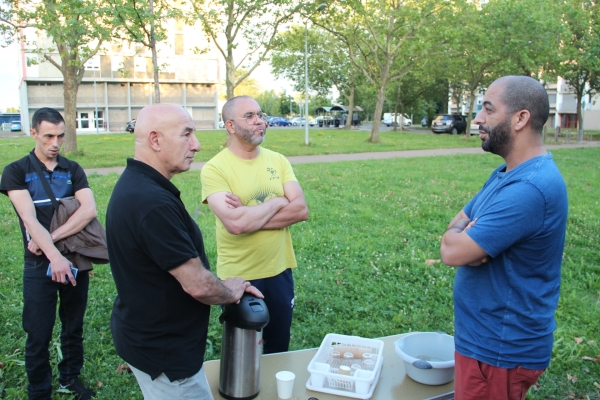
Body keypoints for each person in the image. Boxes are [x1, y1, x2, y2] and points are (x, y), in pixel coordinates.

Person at [106, 103, 262, 400]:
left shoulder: (137, 185)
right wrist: (230, 291)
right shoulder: (152, 202)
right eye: (187, 134)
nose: (197, 145)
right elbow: (198, 285)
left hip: (145, 337)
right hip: (166, 355)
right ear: (155, 140)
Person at [440, 76, 568, 400]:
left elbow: (452, 252)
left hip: (498, 353)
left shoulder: (529, 189)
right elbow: (456, 230)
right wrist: (465, 235)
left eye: (487, 109)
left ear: (520, 118)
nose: (477, 119)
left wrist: (465, 236)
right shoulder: (507, 174)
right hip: (485, 346)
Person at [0, 107, 98, 400]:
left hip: (75, 258)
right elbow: (29, 218)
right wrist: (53, 257)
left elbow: (89, 210)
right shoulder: (16, 171)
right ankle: (39, 391)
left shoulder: (73, 169)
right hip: (38, 264)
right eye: (48, 136)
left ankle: (70, 379)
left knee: (73, 326)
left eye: (60, 136)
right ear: (33, 133)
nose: (55, 143)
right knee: (38, 332)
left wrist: (51, 241)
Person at [201, 96, 309, 354]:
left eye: (260, 115)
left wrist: (249, 216)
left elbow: (301, 210)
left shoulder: (278, 160)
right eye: (249, 116)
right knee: (242, 353)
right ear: (230, 126)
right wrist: (278, 202)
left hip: (280, 270)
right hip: (240, 276)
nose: (260, 121)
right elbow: (235, 224)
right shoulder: (215, 169)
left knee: (278, 347)